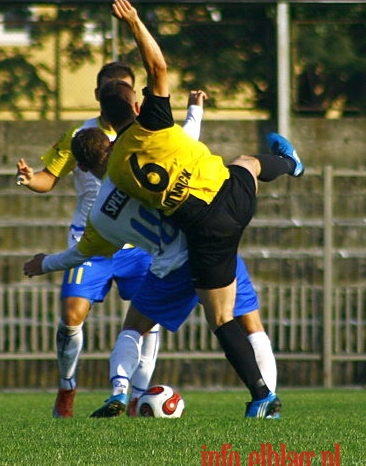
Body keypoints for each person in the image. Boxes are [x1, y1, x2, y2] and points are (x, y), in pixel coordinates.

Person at [96, 0, 305, 418]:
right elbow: (158, 68)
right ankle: (292, 165)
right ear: (137, 106)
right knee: (248, 162)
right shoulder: (153, 120)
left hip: (206, 231)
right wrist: (136, 22)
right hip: (231, 192)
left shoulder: (116, 169)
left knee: (222, 318)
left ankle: (263, 397)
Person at [23, 123, 278, 418]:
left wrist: (43, 264)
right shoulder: (140, 169)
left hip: (170, 268)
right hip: (211, 244)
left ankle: (120, 391)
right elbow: (181, 142)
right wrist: (195, 111)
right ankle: (268, 402)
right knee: (249, 325)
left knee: (133, 327)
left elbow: (78, 254)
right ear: (111, 146)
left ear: (81, 166)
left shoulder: (101, 214)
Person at [16, 62, 157, 418]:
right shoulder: (79, 136)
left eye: (123, 89)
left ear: (134, 97)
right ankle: (67, 387)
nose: (116, 96)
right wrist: (30, 178)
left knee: (149, 317)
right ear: (98, 95)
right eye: (110, 89)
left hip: (136, 242)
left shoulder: (143, 132)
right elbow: (49, 178)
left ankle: (137, 396)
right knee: (72, 314)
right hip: (90, 239)